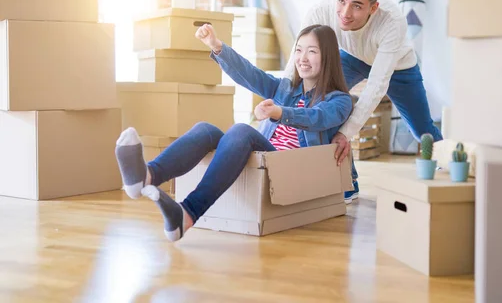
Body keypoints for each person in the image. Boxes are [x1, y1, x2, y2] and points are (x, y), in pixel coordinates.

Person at [115, 23, 353, 242]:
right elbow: (251, 75)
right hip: (263, 161)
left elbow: (318, 118)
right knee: (205, 130)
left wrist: (279, 112)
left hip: (290, 167)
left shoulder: (340, 100)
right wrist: (217, 47)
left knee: (241, 131)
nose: (302, 58)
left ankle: (188, 212)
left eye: (312, 51)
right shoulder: (285, 88)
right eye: (299, 50)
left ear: (328, 57)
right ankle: (146, 176)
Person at [285, 0, 443, 203]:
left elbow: (377, 86)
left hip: (399, 66)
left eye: (357, 5)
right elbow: (294, 61)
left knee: (423, 129)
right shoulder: (320, 12)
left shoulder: (392, 22)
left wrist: (345, 134)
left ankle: (450, 167)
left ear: (374, 7)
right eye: (342, 0)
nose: (345, 13)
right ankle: (347, 182)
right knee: (321, 104)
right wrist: (281, 102)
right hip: (352, 57)